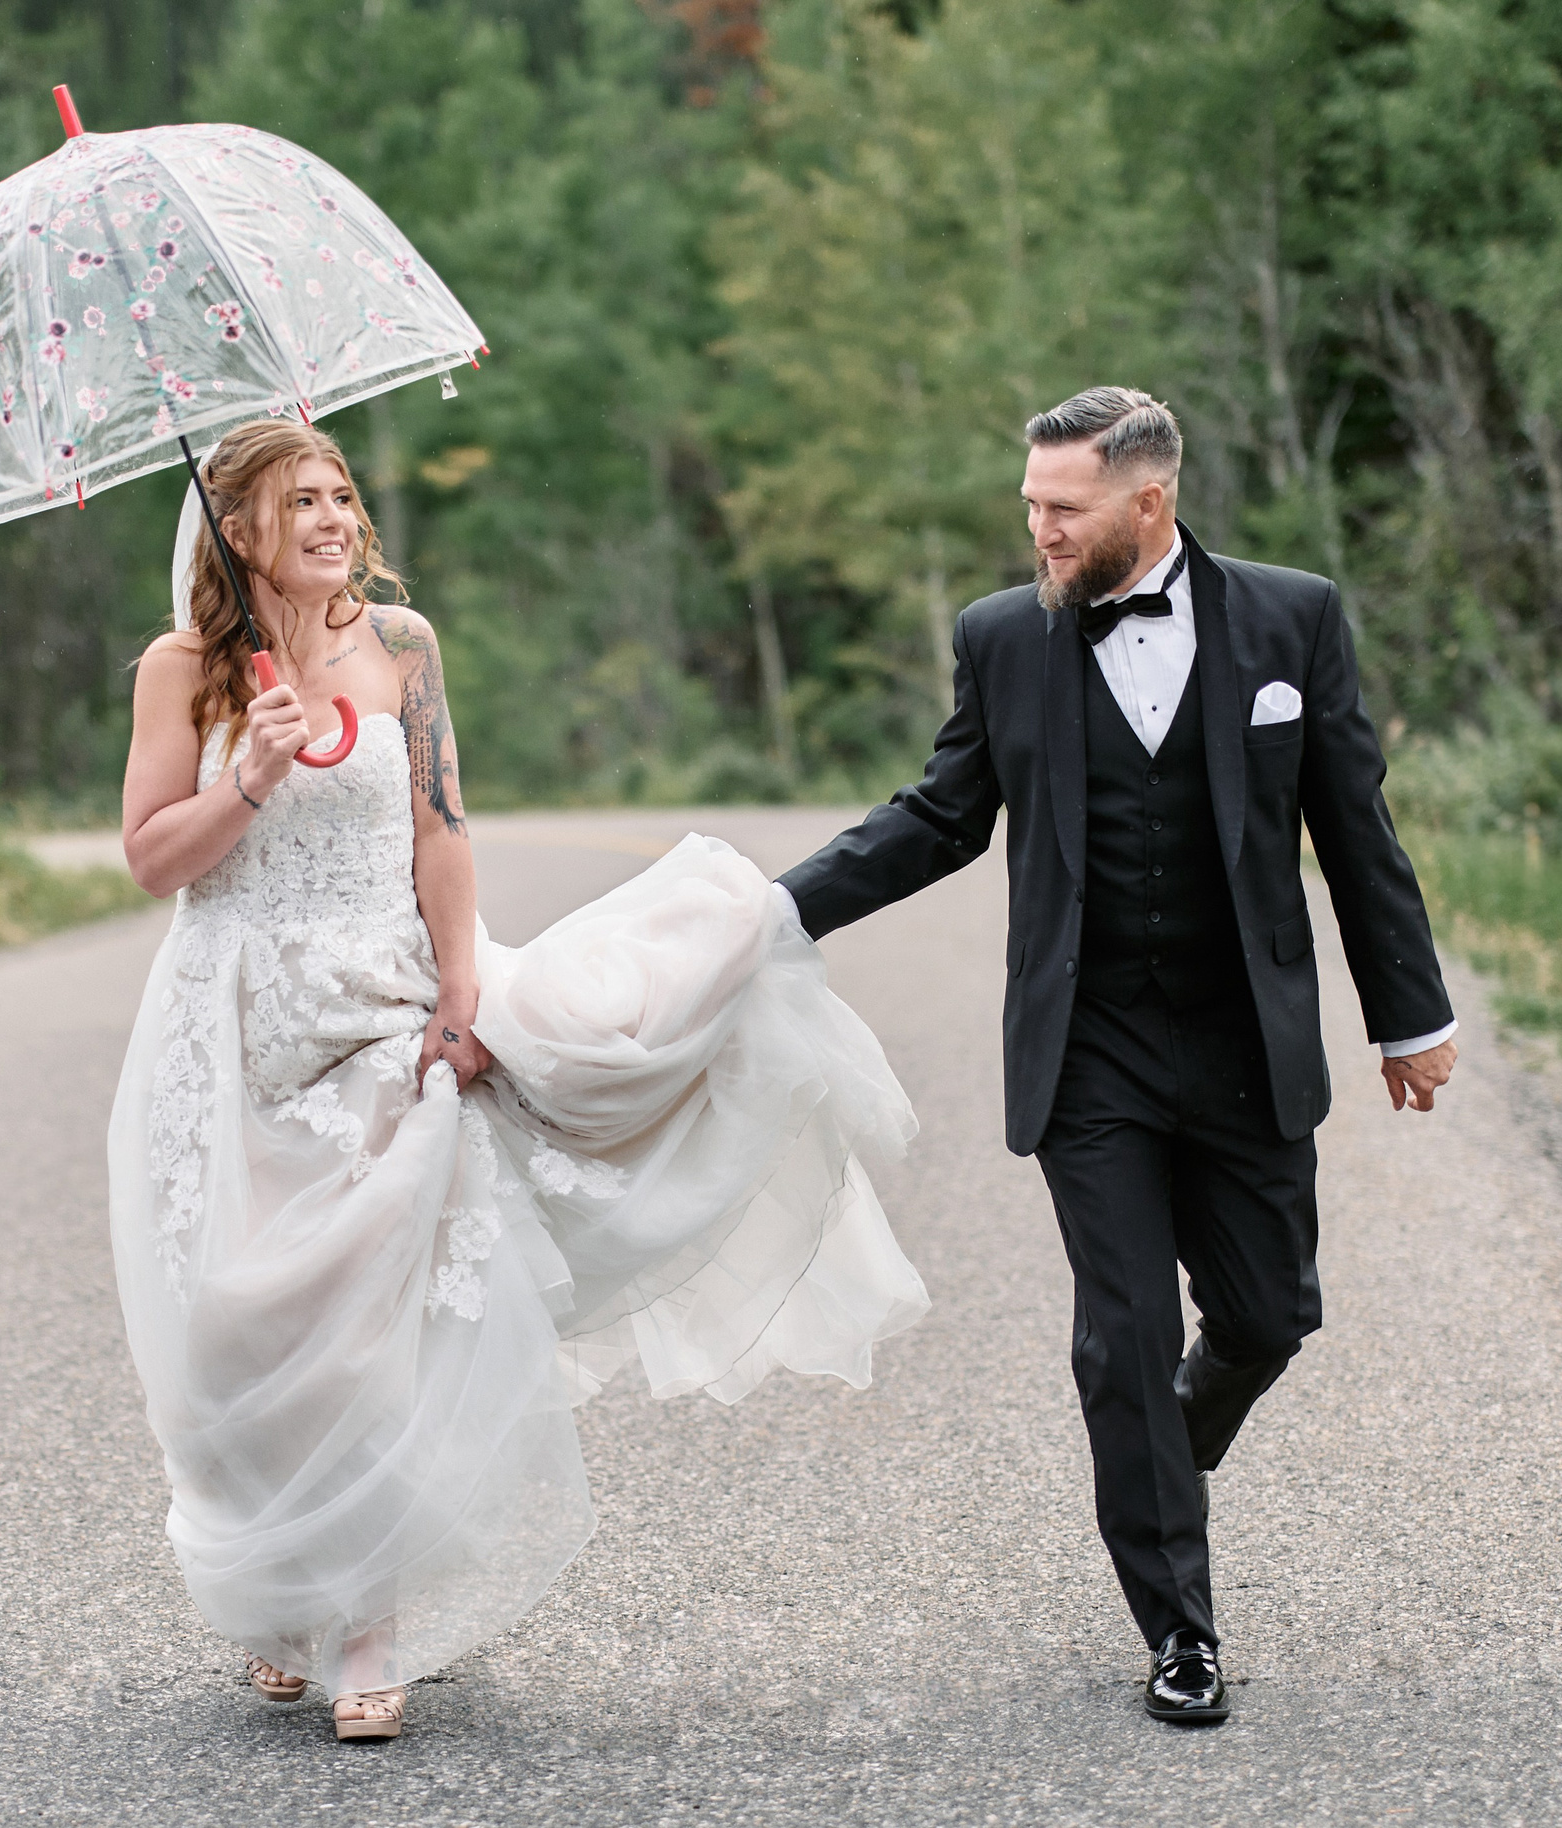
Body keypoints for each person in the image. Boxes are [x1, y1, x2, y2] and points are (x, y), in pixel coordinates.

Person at [107, 416, 929, 1742]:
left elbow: (440, 827)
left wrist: (459, 993)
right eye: (293, 500)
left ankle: (367, 1618)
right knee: (243, 1329)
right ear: (236, 530)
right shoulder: (184, 671)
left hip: (384, 1006)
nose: (328, 515)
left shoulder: (403, 649)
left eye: (338, 492)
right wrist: (247, 777)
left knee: (370, 1316)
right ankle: (281, 1595)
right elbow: (155, 861)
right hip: (236, 1023)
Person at [775, 387, 1458, 1725]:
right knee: (1124, 1337)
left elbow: (1354, 827)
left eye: (1061, 509)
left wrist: (1411, 1017)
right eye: (1029, 504)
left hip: (1246, 1043)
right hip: (1091, 1053)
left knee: (1269, 1318)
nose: (1036, 529)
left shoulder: (1291, 617)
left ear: (1148, 503)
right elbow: (937, 816)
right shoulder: (1002, 640)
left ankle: (1160, 1462)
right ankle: (1181, 1632)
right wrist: (777, 910)